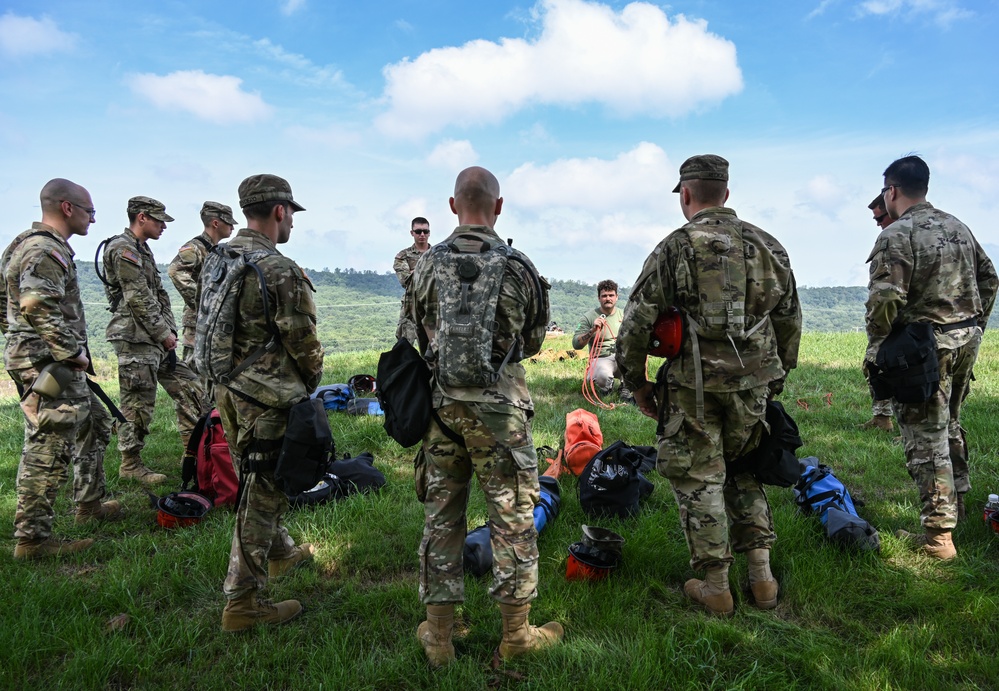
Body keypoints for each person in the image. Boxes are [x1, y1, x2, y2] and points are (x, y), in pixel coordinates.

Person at [616, 155, 801, 616]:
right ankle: (762, 579)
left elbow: (636, 322)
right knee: (744, 470)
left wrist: (636, 383)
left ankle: (716, 587)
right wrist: (777, 376)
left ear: (685, 195)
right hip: (754, 385)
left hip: (691, 389)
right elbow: (789, 319)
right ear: (726, 194)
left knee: (700, 479)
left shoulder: (674, 247)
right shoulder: (769, 246)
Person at [411, 166, 562, 665]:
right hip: (500, 412)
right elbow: (535, 341)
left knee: (442, 516)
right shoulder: (518, 266)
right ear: (498, 207)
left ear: (453, 206)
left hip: (441, 407)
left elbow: (417, 329)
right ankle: (515, 635)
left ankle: (438, 635)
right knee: (513, 518)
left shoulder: (426, 265)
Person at [866, 155, 996, 558]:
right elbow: (989, 278)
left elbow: (886, 298)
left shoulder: (898, 234)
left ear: (891, 191)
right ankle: (959, 498)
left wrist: (880, 345)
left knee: (926, 439)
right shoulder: (957, 225)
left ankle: (940, 538)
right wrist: (975, 325)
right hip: (966, 340)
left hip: (925, 349)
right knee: (950, 423)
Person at [217, 174, 323, 633]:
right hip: (266, 396)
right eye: (292, 214)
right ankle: (243, 602)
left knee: (257, 477)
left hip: (227, 390)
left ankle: (280, 552)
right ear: (280, 211)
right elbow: (302, 341)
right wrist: (311, 381)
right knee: (262, 493)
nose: (292, 224)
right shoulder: (278, 268)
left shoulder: (219, 257)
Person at [7, 179, 121, 559]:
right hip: (50, 366)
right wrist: (72, 353)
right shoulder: (45, 250)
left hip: (45, 360)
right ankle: (33, 540)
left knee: (96, 422)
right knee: (48, 444)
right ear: (67, 208)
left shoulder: (22, 244)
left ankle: (89, 504)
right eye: (90, 211)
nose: (93, 218)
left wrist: (18, 341)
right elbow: (35, 304)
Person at [102, 196, 205, 484]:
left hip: (156, 339)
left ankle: (194, 451)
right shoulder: (123, 249)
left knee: (191, 386)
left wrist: (167, 334)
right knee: (137, 404)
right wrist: (164, 334)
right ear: (142, 217)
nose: (164, 226)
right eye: (160, 220)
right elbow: (138, 297)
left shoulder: (141, 249)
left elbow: (157, 295)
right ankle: (130, 463)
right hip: (136, 338)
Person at [167, 201, 236, 410]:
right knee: (193, 377)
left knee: (213, 373)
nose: (232, 227)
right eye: (228, 223)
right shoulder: (195, 247)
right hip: (197, 324)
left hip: (215, 322)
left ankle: (211, 423)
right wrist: (202, 302)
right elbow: (175, 271)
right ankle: (195, 427)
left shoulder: (220, 251)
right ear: (215, 223)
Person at [859, 194, 896, 432]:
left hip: (897, 321)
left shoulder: (894, 238)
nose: (878, 223)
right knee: (876, 367)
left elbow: (887, 293)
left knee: (878, 363)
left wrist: (878, 327)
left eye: (880, 217)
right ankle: (881, 417)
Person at [572, 279, 632, 402]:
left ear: (617, 297)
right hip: (601, 357)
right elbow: (576, 344)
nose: (608, 298)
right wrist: (592, 330)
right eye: (604, 296)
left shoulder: (625, 315)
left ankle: (626, 388)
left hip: (622, 356)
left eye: (611, 295)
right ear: (599, 298)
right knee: (603, 376)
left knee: (635, 364)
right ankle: (605, 388)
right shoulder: (588, 317)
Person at [393, 217, 431, 344]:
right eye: (418, 231)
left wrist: (415, 271)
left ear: (429, 233)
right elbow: (405, 281)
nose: (422, 235)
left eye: (425, 231)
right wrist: (429, 272)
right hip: (411, 305)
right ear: (412, 233)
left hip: (434, 304)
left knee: (435, 345)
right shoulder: (403, 256)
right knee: (405, 344)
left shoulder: (438, 254)